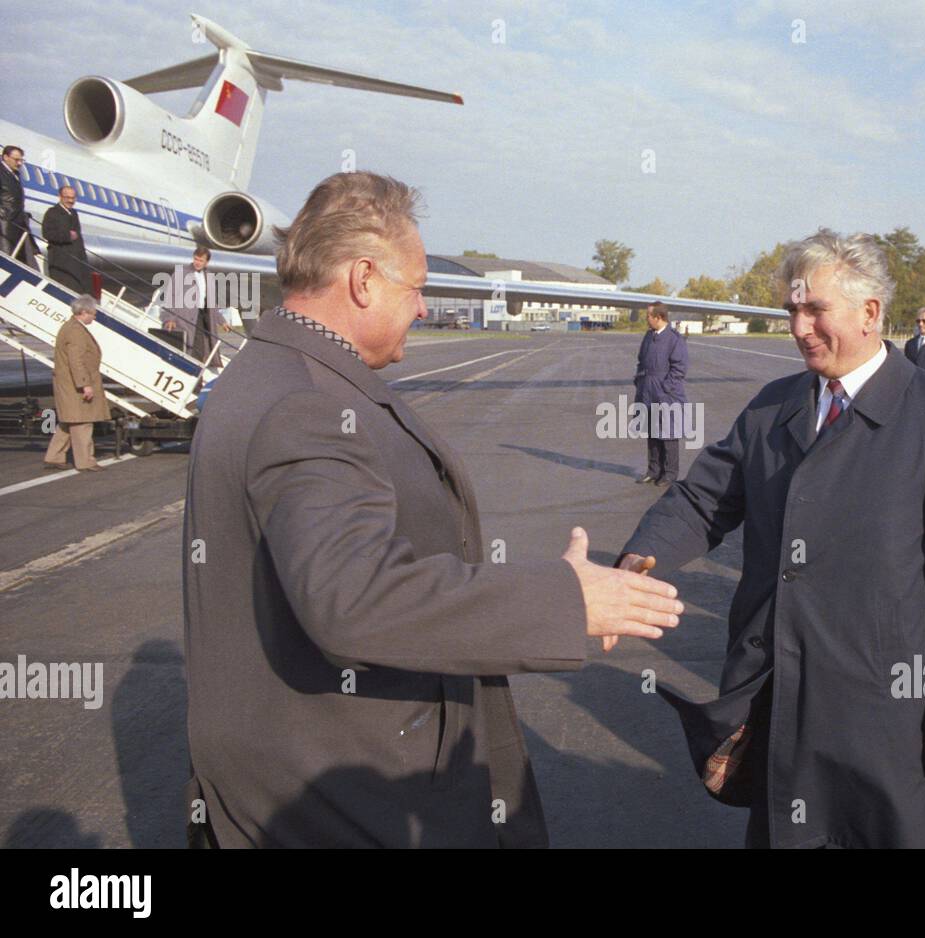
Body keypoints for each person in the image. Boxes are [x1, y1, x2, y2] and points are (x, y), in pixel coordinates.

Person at [182, 171, 684, 848]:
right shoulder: (311, 404)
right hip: (343, 798)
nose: (422, 307)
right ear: (363, 280)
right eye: (414, 286)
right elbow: (355, 597)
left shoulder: (267, 369)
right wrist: (564, 599)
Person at [618, 229, 925, 848]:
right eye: (792, 310)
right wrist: (637, 564)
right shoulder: (775, 406)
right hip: (785, 699)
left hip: (891, 711)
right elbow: (704, 499)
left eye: (814, 310)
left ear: (870, 312)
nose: (799, 327)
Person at [42, 294, 108, 472]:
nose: (95, 316)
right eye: (94, 313)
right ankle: (85, 461)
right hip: (74, 384)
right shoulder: (76, 331)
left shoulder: (70, 327)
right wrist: (85, 384)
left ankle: (54, 456)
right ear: (84, 312)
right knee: (82, 422)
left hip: (67, 383)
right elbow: (76, 361)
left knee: (68, 421)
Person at [633, 302, 688, 487]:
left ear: (659, 317)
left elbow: (679, 369)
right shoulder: (648, 337)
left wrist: (665, 389)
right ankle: (653, 471)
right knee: (652, 433)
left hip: (666, 394)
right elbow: (641, 361)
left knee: (669, 434)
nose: (646, 319)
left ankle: (670, 474)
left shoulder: (674, 339)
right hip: (647, 391)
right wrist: (639, 381)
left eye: (649, 315)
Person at [163, 246, 227, 367]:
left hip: (204, 316)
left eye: (201, 260)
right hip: (186, 317)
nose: (197, 263)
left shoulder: (210, 276)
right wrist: (169, 319)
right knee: (193, 348)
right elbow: (170, 297)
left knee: (204, 347)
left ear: (206, 262)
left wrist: (222, 321)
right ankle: (196, 380)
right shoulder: (181, 273)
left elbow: (212, 303)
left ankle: (198, 377)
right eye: (196, 259)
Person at [41, 185, 90, 293]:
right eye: (67, 197)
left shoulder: (74, 213)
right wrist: (67, 236)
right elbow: (47, 233)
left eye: (73, 198)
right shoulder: (52, 212)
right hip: (62, 263)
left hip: (76, 262)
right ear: (60, 197)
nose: (70, 201)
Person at [0, 145, 39, 267]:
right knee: (7, 261)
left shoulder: (14, 174)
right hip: (4, 224)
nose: (19, 163)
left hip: (16, 224)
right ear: (5, 157)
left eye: (21, 160)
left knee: (20, 262)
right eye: (16, 160)